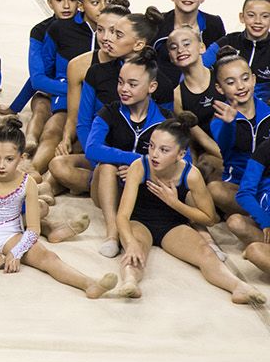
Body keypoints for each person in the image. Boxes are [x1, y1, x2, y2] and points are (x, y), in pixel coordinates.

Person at [0, 121, 115, 300]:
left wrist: (16, 252)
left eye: (9, 159)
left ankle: (89, 284)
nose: (1, 165)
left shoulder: (27, 183)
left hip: (11, 234)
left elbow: (33, 228)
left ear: (21, 158)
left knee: (48, 257)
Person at [109, 115, 265, 304]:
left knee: (206, 253)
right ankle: (130, 282)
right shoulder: (139, 167)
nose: (154, 154)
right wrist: (129, 241)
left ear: (181, 154)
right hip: (140, 221)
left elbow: (209, 218)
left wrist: (174, 203)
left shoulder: (191, 174)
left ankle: (238, 287)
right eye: (151, 146)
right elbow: (123, 215)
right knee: (135, 251)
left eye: (164, 150)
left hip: (173, 225)